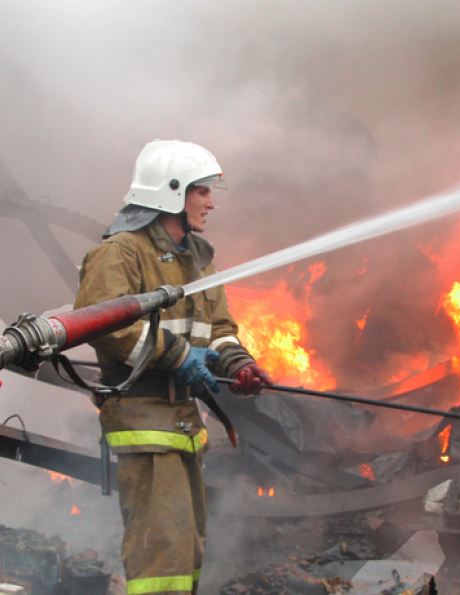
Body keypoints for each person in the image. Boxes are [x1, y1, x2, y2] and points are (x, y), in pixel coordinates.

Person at [74, 140, 272, 595]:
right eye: (202, 191)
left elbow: (219, 326)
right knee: (162, 554)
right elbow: (104, 327)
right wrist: (178, 354)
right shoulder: (120, 253)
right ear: (172, 192)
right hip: (144, 421)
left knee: (186, 551)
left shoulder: (198, 257)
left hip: (184, 423)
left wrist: (238, 362)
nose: (211, 201)